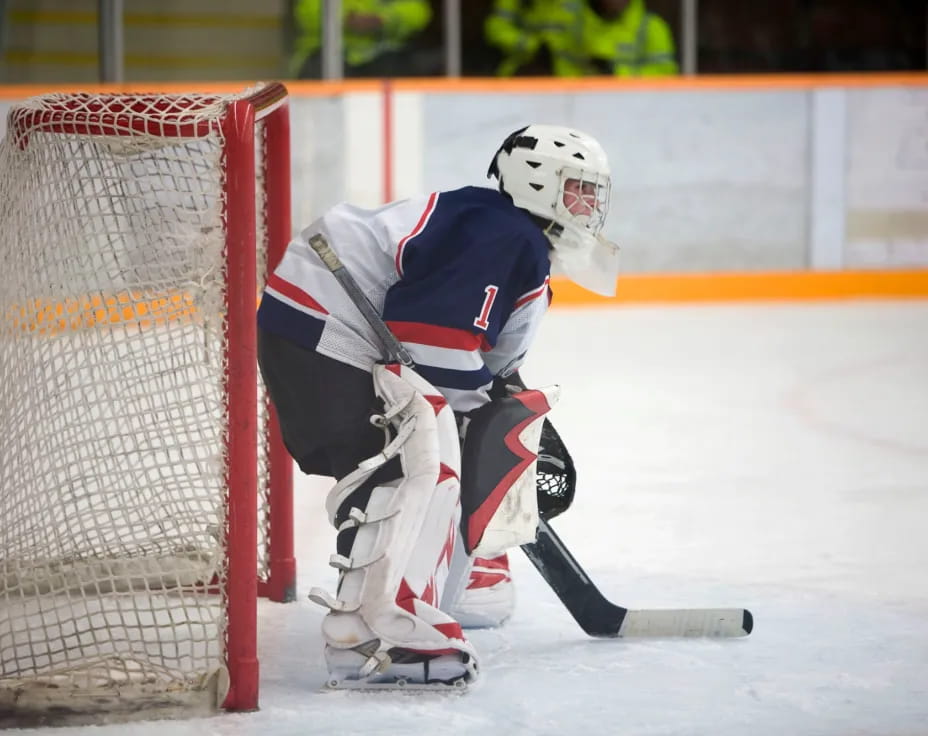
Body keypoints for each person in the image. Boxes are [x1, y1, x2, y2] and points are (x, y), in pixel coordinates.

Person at [256, 124, 619, 688]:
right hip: (327, 333)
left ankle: (439, 579)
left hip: (321, 331)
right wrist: (482, 415)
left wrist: (490, 405)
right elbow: (430, 341)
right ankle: (372, 635)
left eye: (595, 193)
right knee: (414, 461)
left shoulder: (506, 236)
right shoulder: (505, 234)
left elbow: (468, 354)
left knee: (427, 445)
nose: (589, 205)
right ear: (537, 181)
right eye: (578, 188)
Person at [289, 0, 432, 79]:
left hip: (385, 59)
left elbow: (419, 12)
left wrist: (385, 19)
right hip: (326, 58)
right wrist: (344, 20)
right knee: (318, 69)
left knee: (401, 68)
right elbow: (305, 11)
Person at [484, 0, 598, 76]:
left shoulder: (578, 4)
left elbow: (602, 32)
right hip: (525, 74)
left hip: (574, 79)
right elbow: (496, 29)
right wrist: (532, 46)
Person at [585, 0, 679, 76]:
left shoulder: (652, 26)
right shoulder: (584, 25)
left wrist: (616, 72)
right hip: (590, 96)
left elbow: (665, 73)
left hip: (639, 98)